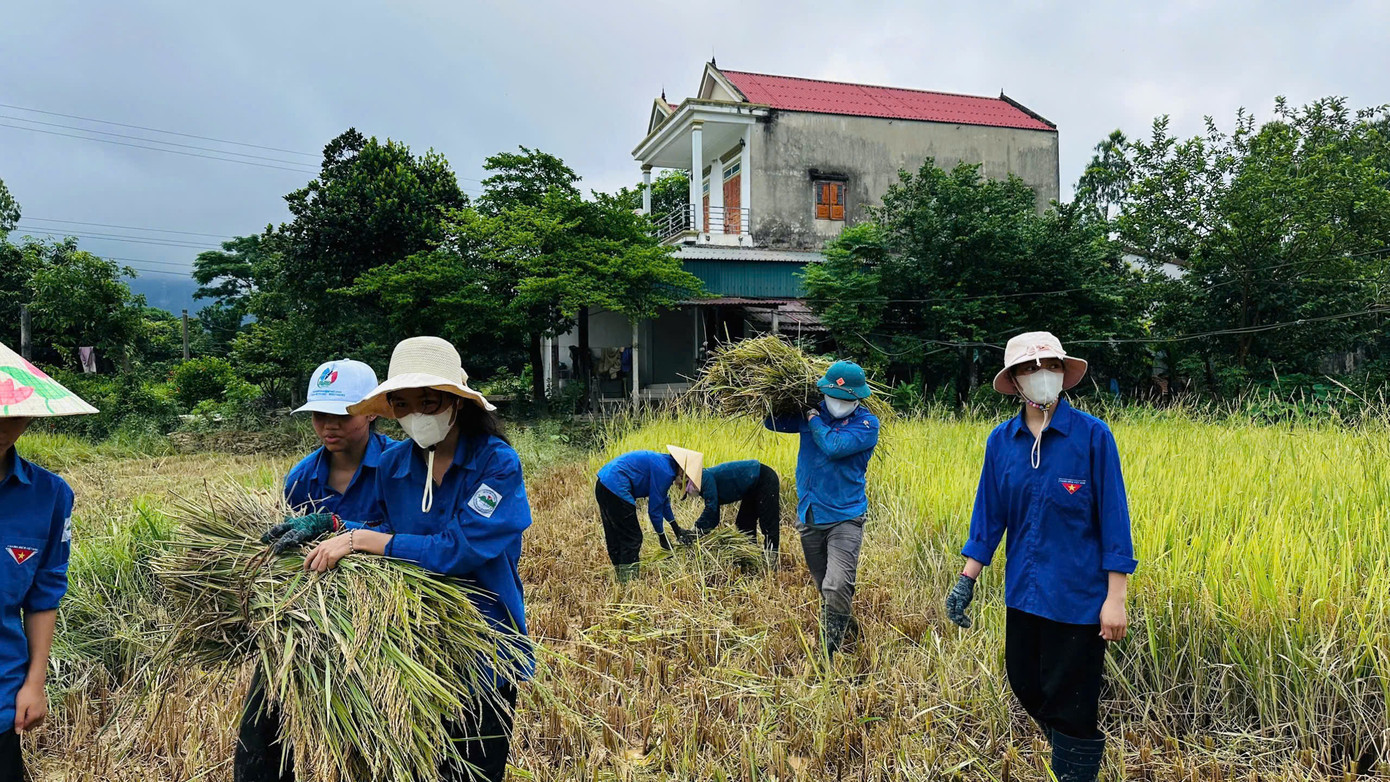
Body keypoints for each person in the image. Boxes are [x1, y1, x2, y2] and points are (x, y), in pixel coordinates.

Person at [271, 337, 533, 782]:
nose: (417, 415)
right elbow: (373, 523)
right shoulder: (395, 466)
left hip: (484, 643)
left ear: (457, 402)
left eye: (429, 402)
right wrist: (330, 524)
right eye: (404, 404)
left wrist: (364, 541)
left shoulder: (497, 465)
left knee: (472, 769)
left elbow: (459, 548)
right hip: (411, 642)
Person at [944, 332, 1136, 782]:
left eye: (1048, 365)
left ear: (1063, 373)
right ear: (1014, 381)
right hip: (1024, 594)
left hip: (1077, 599)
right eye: (1028, 368)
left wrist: (1116, 598)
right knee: (1025, 683)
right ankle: (1070, 753)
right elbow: (989, 515)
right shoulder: (1001, 441)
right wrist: (966, 579)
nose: (1040, 375)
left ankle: (1074, 767)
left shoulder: (1092, 437)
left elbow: (1114, 519)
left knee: (1072, 702)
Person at [237, 358, 392, 781]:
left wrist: (343, 530)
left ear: (373, 410)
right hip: (307, 621)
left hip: (378, 624)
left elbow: (411, 535)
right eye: (319, 415)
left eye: (343, 414)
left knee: (372, 740)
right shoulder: (301, 478)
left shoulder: (401, 467)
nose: (329, 425)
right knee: (259, 740)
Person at [0, 341, 97, 780]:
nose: (4, 421)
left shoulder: (50, 495)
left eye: (14, 410)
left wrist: (35, 682)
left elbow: (44, 594)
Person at [765, 360, 879, 659]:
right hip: (810, 514)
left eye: (846, 399)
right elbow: (771, 422)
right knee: (824, 586)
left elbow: (834, 446)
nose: (839, 404)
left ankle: (829, 653)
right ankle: (847, 626)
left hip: (845, 517)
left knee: (836, 582)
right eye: (834, 397)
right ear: (824, 393)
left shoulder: (866, 425)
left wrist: (814, 417)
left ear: (858, 398)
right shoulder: (811, 412)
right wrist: (780, 396)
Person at [596, 445, 702, 582]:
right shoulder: (666, 472)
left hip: (603, 484)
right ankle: (628, 581)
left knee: (615, 534)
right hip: (616, 487)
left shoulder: (664, 463)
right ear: (682, 470)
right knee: (632, 538)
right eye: (686, 479)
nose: (682, 483)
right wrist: (662, 537)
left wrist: (676, 529)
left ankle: (620, 575)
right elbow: (654, 510)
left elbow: (663, 501)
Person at [688, 459, 781, 562]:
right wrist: (699, 534)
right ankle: (751, 557)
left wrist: (694, 531)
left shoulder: (704, 478)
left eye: (680, 486)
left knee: (768, 523)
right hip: (751, 488)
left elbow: (711, 509)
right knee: (744, 523)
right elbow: (714, 518)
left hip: (763, 478)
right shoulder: (703, 482)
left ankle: (771, 560)